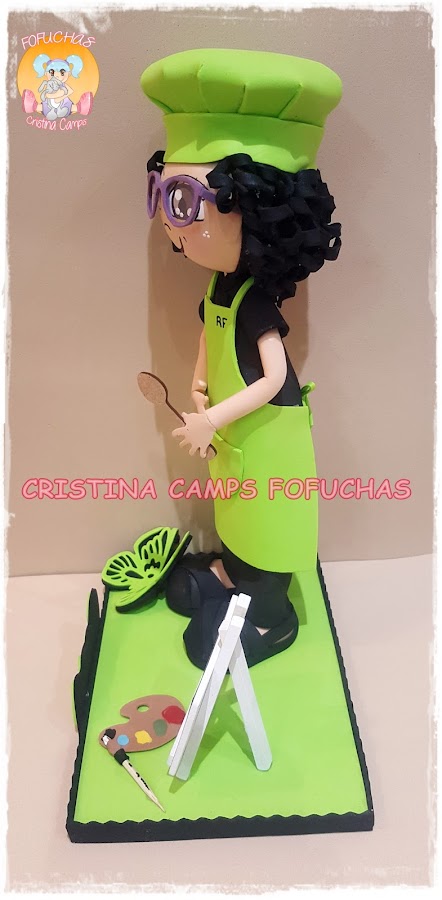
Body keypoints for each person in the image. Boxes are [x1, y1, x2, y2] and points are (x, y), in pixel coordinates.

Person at [141, 49, 342, 668]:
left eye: (184, 200)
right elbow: (209, 333)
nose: (172, 222)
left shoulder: (255, 301)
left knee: (267, 517)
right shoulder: (219, 286)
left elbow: (274, 377)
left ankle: (271, 617)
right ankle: (232, 572)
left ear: (257, 210)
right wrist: (200, 383)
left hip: (266, 434)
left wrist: (211, 418)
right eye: (162, 195)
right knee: (233, 508)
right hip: (234, 435)